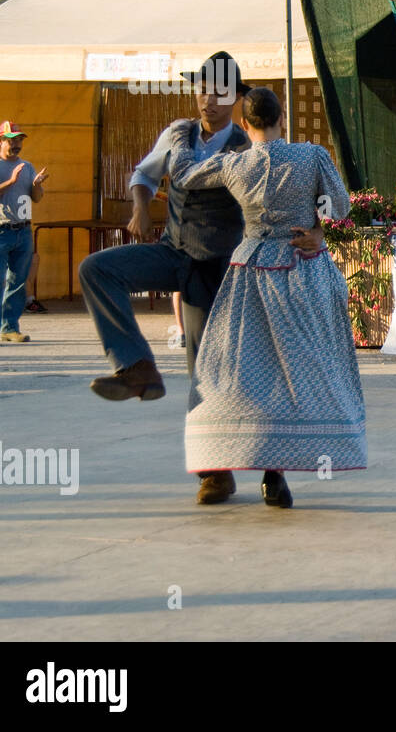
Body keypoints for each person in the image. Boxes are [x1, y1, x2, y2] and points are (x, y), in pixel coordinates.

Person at [79, 53, 325, 505]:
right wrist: (139, 206)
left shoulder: (251, 148)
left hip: (229, 269)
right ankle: (137, 368)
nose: (207, 100)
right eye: (202, 90)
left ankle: (265, 472)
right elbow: (144, 174)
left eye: (218, 92)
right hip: (175, 251)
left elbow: (296, 197)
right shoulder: (179, 133)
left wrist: (316, 230)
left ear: (236, 98)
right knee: (98, 268)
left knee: (231, 371)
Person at [167, 87, 366, 508]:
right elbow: (341, 207)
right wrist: (318, 227)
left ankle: (217, 465)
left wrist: (182, 136)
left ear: (245, 123)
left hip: (251, 270)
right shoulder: (311, 156)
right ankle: (274, 475)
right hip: (302, 267)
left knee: (237, 372)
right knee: (298, 372)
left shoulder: (235, 164)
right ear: (283, 117)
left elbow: (184, 175)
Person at [0, 121, 48, 347]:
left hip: (23, 230)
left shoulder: (27, 167)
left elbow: (36, 198)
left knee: (18, 282)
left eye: (19, 139)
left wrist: (37, 184)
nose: (16, 144)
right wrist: (11, 181)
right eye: (11, 140)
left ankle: (10, 328)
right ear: (0, 141)